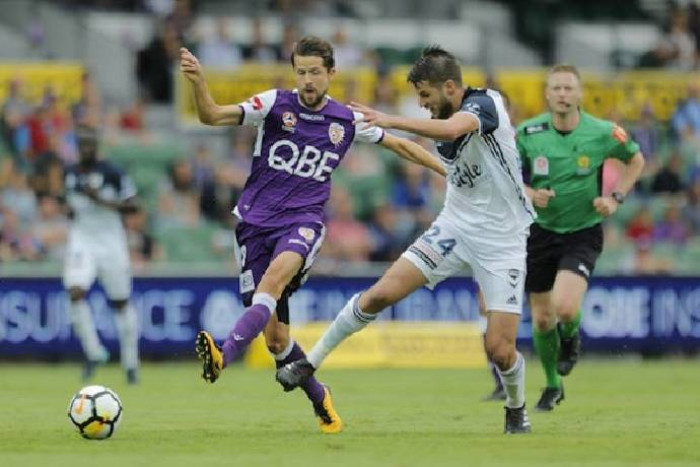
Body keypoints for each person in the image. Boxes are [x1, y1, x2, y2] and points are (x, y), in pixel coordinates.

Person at [179, 36, 445, 434]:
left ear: (331, 73)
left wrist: (448, 172)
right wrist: (200, 83)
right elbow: (212, 116)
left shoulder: (347, 120)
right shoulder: (273, 105)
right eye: (301, 71)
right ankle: (321, 398)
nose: (307, 80)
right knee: (276, 342)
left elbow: (402, 146)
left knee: (273, 281)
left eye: (315, 72)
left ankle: (224, 353)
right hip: (254, 224)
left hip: (302, 222)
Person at [276, 46, 536, 434]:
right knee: (380, 294)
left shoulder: (487, 104)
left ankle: (516, 408)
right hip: (454, 227)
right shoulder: (443, 114)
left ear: (450, 87)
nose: (423, 105)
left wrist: (390, 119)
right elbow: (420, 144)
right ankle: (310, 362)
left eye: (426, 96)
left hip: (503, 241)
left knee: (500, 350)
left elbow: (450, 130)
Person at [516, 65, 645, 411]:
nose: (562, 94)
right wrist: (528, 192)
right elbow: (505, 173)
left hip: (582, 231)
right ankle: (553, 385)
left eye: (568, 88)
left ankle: (570, 337)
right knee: (542, 319)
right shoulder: (528, 132)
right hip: (539, 232)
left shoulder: (603, 132)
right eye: (556, 88)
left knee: (565, 307)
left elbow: (636, 160)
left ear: (579, 94)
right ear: (547, 94)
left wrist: (615, 198)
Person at [63, 125, 140, 384]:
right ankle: (93, 352)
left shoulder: (113, 172)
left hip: (111, 242)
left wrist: (101, 201)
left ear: (96, 146)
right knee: (75, 290)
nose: (86, 149)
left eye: (90, 144)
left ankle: (130, 363)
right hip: (82, 240)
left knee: (120, 302)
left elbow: (134, 205)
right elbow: (72, 206)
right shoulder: (70, 174)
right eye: (82, 144)